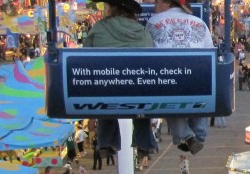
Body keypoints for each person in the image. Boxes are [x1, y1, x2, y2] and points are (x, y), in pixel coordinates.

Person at [85, 0, 160, 160]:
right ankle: (144, 143)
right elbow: (150, 58)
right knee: (141, 105)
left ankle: (107, 141)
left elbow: (86, 54)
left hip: (107, 85)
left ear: (113, 8)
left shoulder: (100, 28)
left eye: (106, 6)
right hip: (138, 87)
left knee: (105, 102)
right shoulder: (141, 30)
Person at [146, 0, 214, 155]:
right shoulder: (199, 22)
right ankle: (200, 135)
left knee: (170, 102)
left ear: (167, 3)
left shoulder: (153, 21)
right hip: (197, 74)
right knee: (200, 98)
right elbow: (210, 52)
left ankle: (186, 136)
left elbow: (147, 52)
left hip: (169, 74)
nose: (154, 7)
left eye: (157, 2)